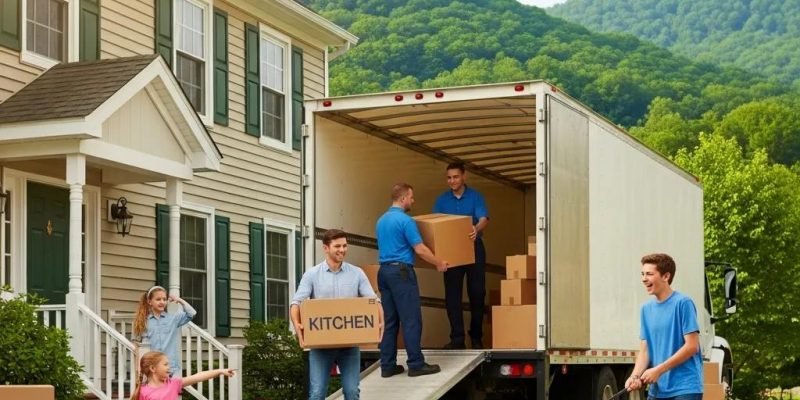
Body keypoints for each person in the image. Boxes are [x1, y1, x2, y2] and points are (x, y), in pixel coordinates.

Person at [290, 229, 382, 400]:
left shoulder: (357, 273)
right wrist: (298, 327)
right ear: (325, 248)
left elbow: (373, 301)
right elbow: (296, 303)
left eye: (345, 246)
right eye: (337, 246)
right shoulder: (312, 275)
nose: (342, 250)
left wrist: (380, 322)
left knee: (352, 392)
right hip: (321, 347)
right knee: (317, 394)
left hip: (349, 346)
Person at [376, 183, 448, 378]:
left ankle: (387, 365)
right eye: (411, 197)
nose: (413, 201)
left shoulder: (381, 220)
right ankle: (416, 364)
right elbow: (420, 249)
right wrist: (439, 262)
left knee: (390, 321)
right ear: (403, 199)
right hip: (401, 273)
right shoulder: (406, 221)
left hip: (383, 272)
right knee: (411, 319)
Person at [625, 253, 704, 400]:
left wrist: (659, 370)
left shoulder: (683, 303)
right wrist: (635, 376)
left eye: (649, 274)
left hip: (685, 388)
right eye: (642, 274)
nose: (644, 278)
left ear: (666, 277)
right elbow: (645, 350)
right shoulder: (646, 309)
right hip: (658, 390)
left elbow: (692, 346)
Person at [433, 162, 489, 350]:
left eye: (455, 177)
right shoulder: (442, 200)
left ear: (464, 176)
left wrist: (476, 228)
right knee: (452, 296)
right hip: (450, 252)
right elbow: (435, 226)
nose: (452, 181)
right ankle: (457, 338)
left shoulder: (475, 196)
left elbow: (483, 219)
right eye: (449, 177)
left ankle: (475, 337)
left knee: (477, 293)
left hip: (473, 248)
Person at [133, 286, 196, 377]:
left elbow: (192, 313)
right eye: (158, 299)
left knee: (172, 391)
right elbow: (136, 344)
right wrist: (138, 367)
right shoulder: (143, 322)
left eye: (164, 299)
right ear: (149, 301)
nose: (162, 302)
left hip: (171, 368)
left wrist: (179, 300)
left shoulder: (173, 319)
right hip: (152, 368)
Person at [130, 350, 234, 400]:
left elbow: (198, 376)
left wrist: (220, 371)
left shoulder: (173, 384)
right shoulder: (142, 391)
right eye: (165, 364)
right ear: (153, 368)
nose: (169, 367)